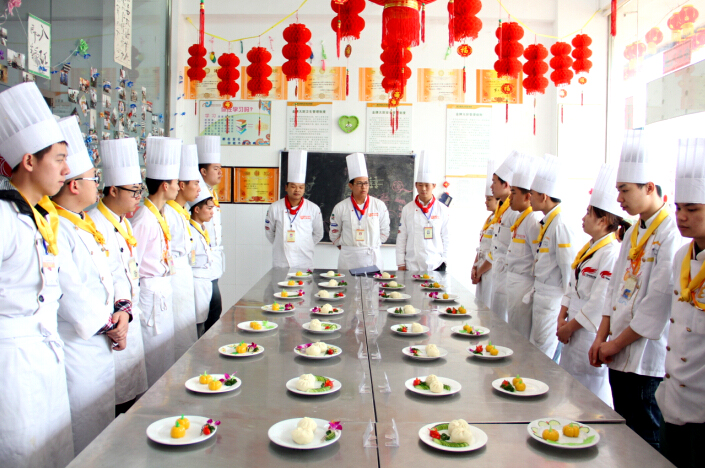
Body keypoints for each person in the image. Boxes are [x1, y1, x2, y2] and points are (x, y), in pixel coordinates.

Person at [589, 129, 680, 451]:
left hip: (643, 358)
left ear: (650, 187)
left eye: (624, 190)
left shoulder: (670, 233)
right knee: (625, 435)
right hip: (617, 349)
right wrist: (601, 338)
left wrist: (614, 344)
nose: (619, 199)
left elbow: (657, 304)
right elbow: (614, 289)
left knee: (646, 438)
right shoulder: (634, 230)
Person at [0, 82, 74, 468]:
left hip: (43, 354)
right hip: (12, 363)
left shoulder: (37, 218)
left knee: (50, 451)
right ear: (29, 161)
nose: (66, 170)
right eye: (59, 159)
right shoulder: (3, 219)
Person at [51, 116, 130, 455]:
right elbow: (70, 292)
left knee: (102, 425)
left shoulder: (85, 223)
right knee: (84, 430)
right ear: (73, 186)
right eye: (93, 179)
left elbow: (113, 271)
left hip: (103, 338)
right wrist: (111, 324)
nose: (97, 185)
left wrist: (122, 311)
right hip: (79, 343)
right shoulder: (56, 227)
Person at [557, 164, 628, 407]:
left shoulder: (610, 253)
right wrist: (562, 317)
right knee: (569, 394)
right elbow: (571, 286)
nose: (583, 217)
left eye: (589, 213)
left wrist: (569, 327)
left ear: (603, 220)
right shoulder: (589, 249)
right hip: (571, 332)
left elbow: (599, 301)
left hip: (586, 333)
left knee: (589, 400)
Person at [89, 137, 148, 416]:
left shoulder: (124, 222)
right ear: (112, 190)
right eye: (133, 191)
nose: (138, 197)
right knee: (115, 401)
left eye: (140, 190)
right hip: (111, 324)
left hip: (126, 314)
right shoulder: (94, 223)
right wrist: (119, 316)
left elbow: (125, 271)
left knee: (132, 395)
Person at [656, 138, 705, 468]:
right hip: (674, 394)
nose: (681, 217)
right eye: (678, 208)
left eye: (692, 209)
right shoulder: (682, 256)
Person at [131, 136, 181, 387]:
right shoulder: (143, 219)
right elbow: (133, 264)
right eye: (176, 183)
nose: (178, 188)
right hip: (149, 294)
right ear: (164, 185)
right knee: (154, 358)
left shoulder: (160, 214)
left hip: (161, 290)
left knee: (165, 356)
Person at [528, 153, 577, 360]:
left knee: (544, 356)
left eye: (532, 194)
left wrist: (565, 310)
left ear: (544, 196)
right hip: (541, 297)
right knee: (536, 350)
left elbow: (568, 271)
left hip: (552, 301)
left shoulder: (560, 224)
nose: (529, 198)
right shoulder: (548, 222)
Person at [164, 144, 200, 360]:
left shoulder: (183, 213)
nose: (198, 189)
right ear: (181, 185)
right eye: (195, 183)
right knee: (178, 340)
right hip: (175, 280)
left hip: (185, 278)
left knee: (186, 336)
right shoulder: (168, 214)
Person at [330, 152, 390, 272]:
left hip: (372, 257)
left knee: (373, 284)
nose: (364, 187)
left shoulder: (378, 205)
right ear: (350, 186)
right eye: (359, 183)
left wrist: (373, 245)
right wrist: (349, 249)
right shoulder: (340, 207)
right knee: (347, 284)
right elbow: (334, 234)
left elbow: (385, 231)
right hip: (348, 258)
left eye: (366, 183)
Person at [265, 149, 323, 270]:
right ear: (286, 187)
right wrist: (282, 243)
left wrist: (304, 244)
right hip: (281, 260)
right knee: (280, 283)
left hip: (305, 260)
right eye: (293, 186)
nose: (297, 190)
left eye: (301, 187)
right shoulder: (275, 207)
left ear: (304, 189)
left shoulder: (313, 208)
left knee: (304, 283)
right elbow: (270, 233)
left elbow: (318, 234)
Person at [505, 153, 541, 339]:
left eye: (513, 193)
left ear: (527, 196)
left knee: (521, 337)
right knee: (513, 332)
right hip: (513, 283)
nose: (510, 197)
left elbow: (538, 257)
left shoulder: (533, 221)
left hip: (525, 285)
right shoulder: (520, 218)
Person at [396, 149, 450, 272]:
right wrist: (400, 263)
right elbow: (401, 238)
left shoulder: (442, 209)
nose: (423, 189)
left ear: (434, 186)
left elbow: (447, 238)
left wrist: (444, 261)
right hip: (411, 265)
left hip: (436, 265)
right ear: (416, 185)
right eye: (420, 185)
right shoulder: (407, 209)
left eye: (427, 185)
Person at [487, 151, 520, 322]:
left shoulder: (514, 213)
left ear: (506, 184)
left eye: (494, 182)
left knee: (503, 324)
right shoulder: (501, 209)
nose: (491, 187)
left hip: (508, 277)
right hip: (498, 274)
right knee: (496, 321)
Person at [195, 135, 223, 332]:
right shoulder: (197, 196)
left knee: (214, 311)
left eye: (220, 168)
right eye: (215, 169)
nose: (220, 173)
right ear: (203, 171)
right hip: (202, 263)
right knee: (210, 313)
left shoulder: (212, 193)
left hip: (212, 262)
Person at [190, 175, 216, 337]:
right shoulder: (191, 232)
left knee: (204, 320)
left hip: (204, 281)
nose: (212, 212)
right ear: (197, 209)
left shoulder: (202, 229)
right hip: (196, 284)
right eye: (209, 208)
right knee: (197, 326)